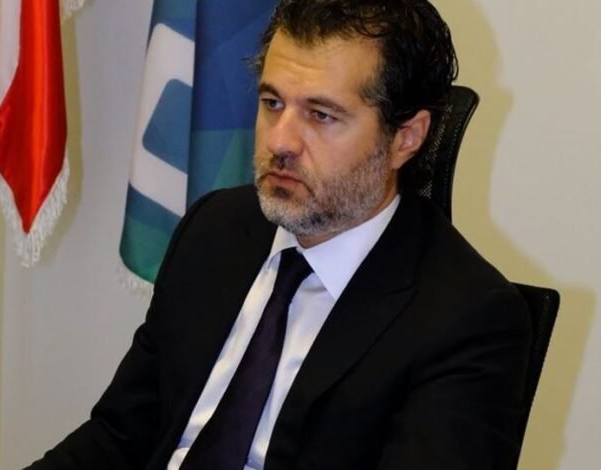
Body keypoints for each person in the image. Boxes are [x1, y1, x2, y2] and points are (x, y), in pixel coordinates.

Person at [30, 1, 531, 468]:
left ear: (406, 138)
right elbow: (118, 436)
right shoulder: (215, 230)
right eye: (272, 102)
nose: (280, 141)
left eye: (321, 115)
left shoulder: (466, 319)